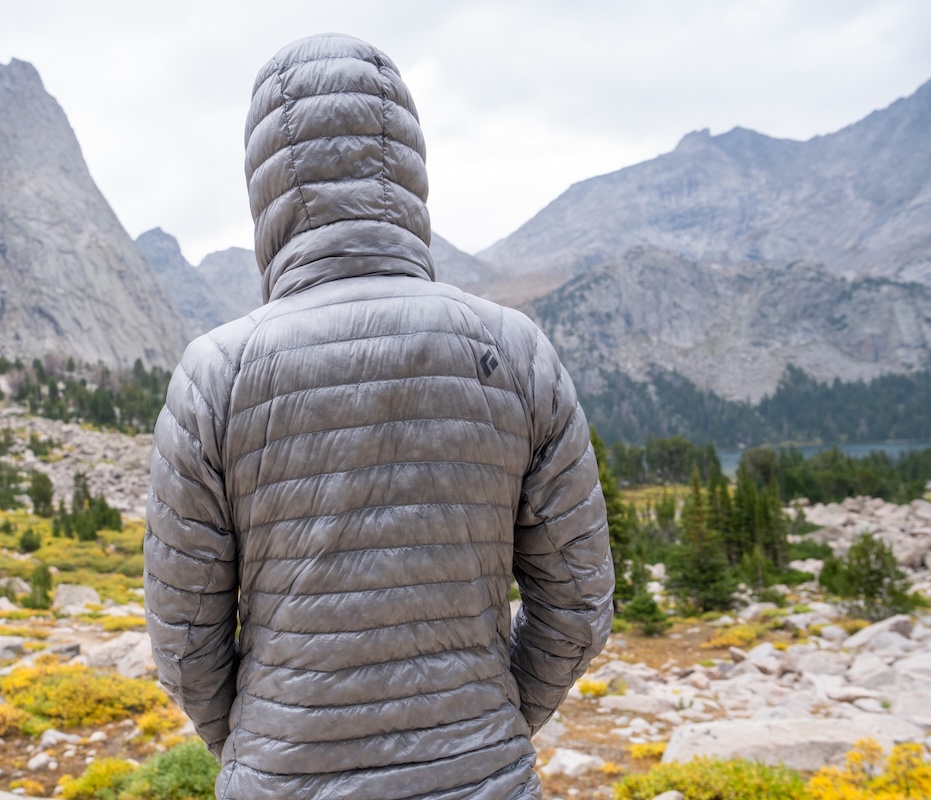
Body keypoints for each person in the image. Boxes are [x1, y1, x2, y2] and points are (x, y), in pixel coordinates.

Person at [144, 32, 613, 800]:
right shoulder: (514, 349)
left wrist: (264, 746)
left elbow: (184, 637)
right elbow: (580, 602)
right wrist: (490, 729)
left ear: (266, 185)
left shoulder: (215, 375)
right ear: (406, 163)